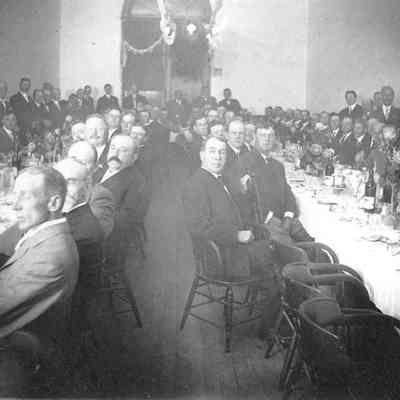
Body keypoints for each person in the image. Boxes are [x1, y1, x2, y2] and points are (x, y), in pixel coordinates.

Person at [181, 136, 279, 337]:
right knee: (280, 272)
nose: (217, 157)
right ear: (202, 155)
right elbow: (199, 227)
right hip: (221, 257)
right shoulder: (195, 185)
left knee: (276, 252)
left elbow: (235, 212)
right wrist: (236, 235)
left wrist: (255, 225)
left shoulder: (221, 178)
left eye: (222, 152)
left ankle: (275, 318)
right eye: (212, 151)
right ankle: (269, 330)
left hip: (233, 248)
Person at [0, 166, 79, 395]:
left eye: (25, 196)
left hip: (13, 348)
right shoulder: (45, 235)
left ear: (54, 203)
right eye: (15, 195)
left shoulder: (49, 259)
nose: (15, 205)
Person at [228, 124, 312, 244]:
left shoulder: (277, 165)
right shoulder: (243, 163)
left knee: (313, 246)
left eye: (270, 136)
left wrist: (288, 215)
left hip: (285, 219)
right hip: (262, 223)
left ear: (274, 139)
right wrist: (270, 218)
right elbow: (242, 201)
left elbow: (287, 193)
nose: (266, 139)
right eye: (262, 135)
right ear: (254, 138)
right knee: (293, 250)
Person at [93, 134, 149, 261]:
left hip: (110, 241)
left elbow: (127, 219)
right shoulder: (100, 170)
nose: (115, 153)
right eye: (113, 148)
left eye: (123, 150)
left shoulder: (138, 182)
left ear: (134, 157)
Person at [67, 140, 115, 239]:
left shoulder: (100, 195)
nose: (76, 165)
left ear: (95, 168)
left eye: (82, 162)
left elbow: (96, 234)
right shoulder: (56, 185)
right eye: (72, 160)